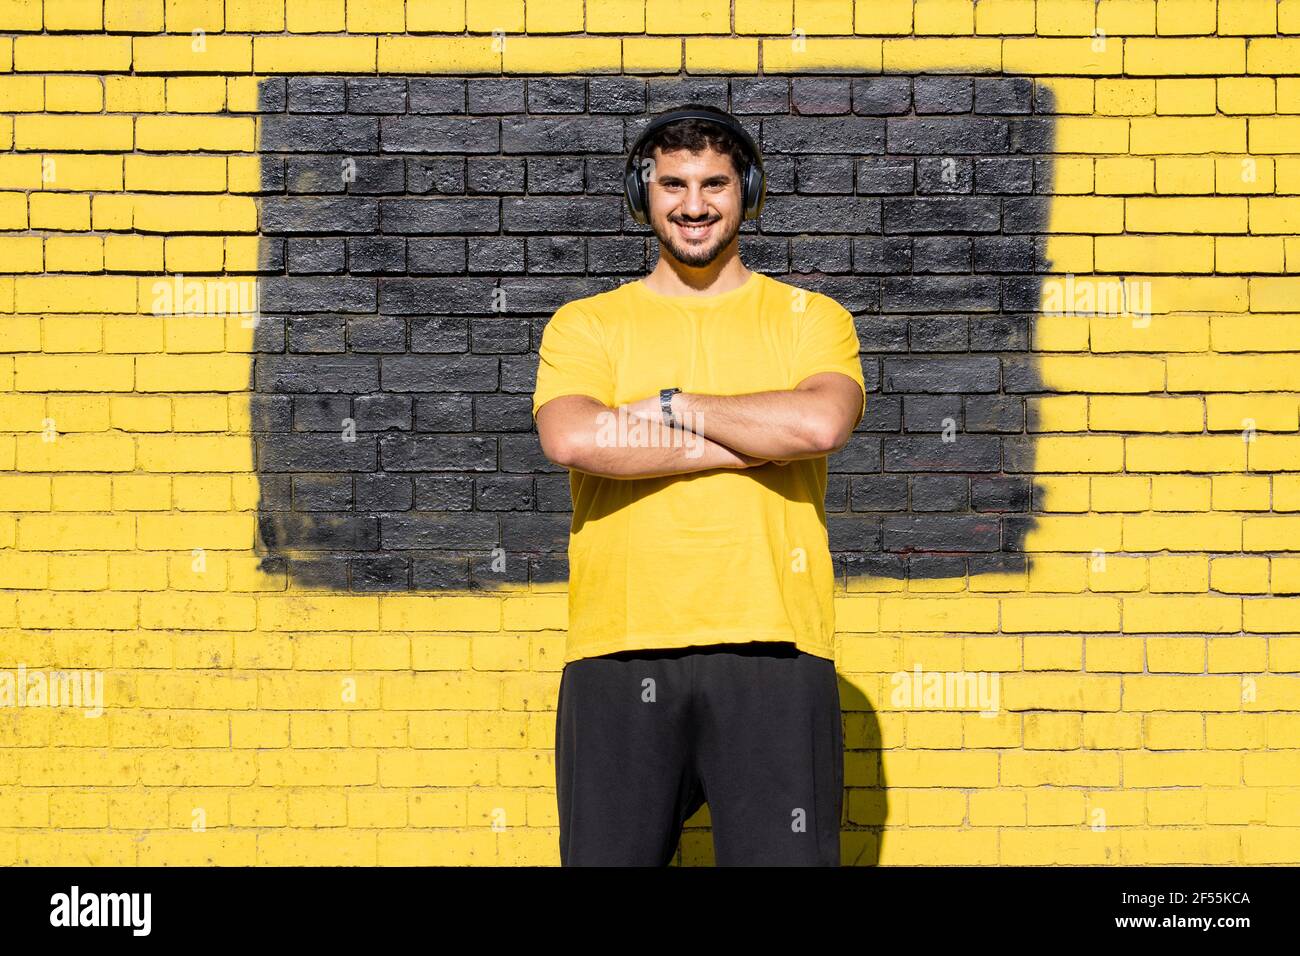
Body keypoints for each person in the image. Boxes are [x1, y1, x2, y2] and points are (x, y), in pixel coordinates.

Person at [532, 103, 866, 866]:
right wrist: (751, 444)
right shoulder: (588, 325)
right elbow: (577, 437)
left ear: (746, 191)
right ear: (641, 195)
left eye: (714, 183)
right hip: (621, 648)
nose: (693, 204)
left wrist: (676, 407)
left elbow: (817, 428)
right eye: (672, 184)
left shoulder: (810, 319)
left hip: (776, 647)